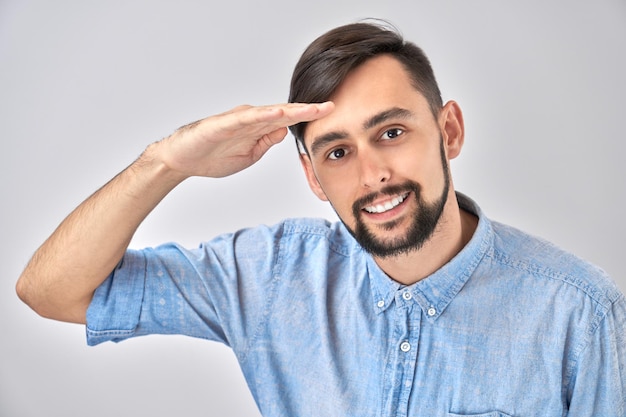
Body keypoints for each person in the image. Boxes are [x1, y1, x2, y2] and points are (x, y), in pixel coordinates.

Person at [16, 21, 625, 416]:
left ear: (450, 131)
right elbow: (51, 291)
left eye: (391, 132)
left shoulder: (579, 312)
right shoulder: (268, 276)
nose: (371, 174)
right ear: (312, 176)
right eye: (337, 151)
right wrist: (164, 163)